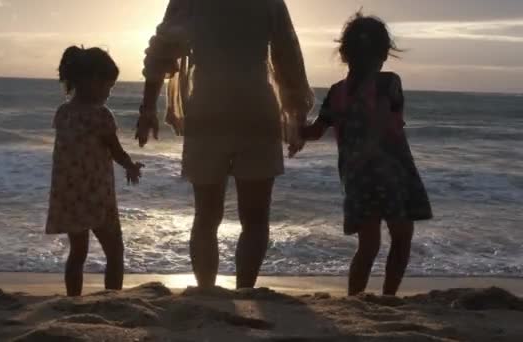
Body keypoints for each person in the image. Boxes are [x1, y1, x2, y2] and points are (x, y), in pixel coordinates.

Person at [137, 0, 314, 289]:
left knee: (206, 215)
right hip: (255, 108)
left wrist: (147, 108)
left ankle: (206, 290)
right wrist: (297, 114)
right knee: (255, 218)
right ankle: (245, 289)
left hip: (208, 108)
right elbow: (288, 57)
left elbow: (161, 52)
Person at [301, 13, 433, 296]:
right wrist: (372, 148)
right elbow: (384, 118)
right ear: (385, 53)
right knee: (401, 236)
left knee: (368, 244)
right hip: (392, 172)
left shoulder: (337, 92)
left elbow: (314, 132)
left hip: (356, 176)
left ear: (345, 54)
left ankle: (355, 298)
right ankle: (388, 296)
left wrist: (292, 131)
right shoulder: (388, 83)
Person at [46, 46, 144, 296]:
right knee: (115, 251)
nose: (109, 93)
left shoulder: (63, 113)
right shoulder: (100, 115)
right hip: (96, 196)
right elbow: (116, 150)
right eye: (108, 86)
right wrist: (131, 166)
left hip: (69, 196)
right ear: (90, 81)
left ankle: (73, 301)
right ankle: (113, 298)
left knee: (77, 253)